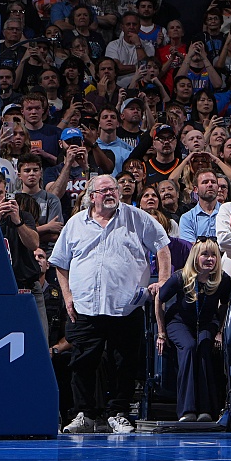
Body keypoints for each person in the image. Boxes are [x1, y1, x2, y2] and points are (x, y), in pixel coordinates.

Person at [52, 175, 172, 434]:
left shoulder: (137, 217)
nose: (110, 193)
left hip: (126, 306)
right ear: (91, 196)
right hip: (85, 307)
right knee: (82, 363)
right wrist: (67, 296)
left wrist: (163, 280)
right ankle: (84, 415)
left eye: (113, 189)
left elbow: (162, 246)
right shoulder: (75, 224)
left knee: (124, 363)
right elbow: (60, 263)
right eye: (103, 190)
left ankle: (118, 413)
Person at [156, 239, 229, 422]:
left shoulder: (223, 279)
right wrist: (161, 332)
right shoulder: (180, 277)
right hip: (179, 322)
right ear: (195, 257)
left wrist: (220, 331)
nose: (210, 259)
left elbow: (224, 305)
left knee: (204, 347)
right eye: (205, 254)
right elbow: (159, 299)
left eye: (213, 255)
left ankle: (206, 409)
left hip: (206, 322)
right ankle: (187, 410)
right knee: (189, 347)